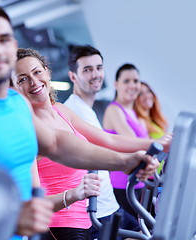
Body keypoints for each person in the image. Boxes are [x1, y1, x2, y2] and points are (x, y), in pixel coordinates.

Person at [0, 3, 160, 240]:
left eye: (3, 40)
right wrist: (8, 218)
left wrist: (123, 161)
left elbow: (58, 144)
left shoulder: (15, 104)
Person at [11, 48, 170, 240]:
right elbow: (35, 203)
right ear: (14, 90)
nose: (34, 82)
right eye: (22, 79)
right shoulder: (28, 132)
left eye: (37, 72)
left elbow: (107, 140)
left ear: (46, 71)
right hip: (61, 227)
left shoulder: (61, 111)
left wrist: (157, 143)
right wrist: (75, 193)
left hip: (87, 218)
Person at [63, 45, 146, 239]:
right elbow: (107, 144)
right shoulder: (73, 111)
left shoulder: (88, 110)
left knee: (150, 233)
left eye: (98, 67)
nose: (95, 74)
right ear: (73, 76)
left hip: (111, 206)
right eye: (87, 69)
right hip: (97, 213)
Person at [102, 63, 148, 219]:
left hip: (139, 185)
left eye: (136, 81)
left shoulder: (136, 115)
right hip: (122, 186)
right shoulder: (114, 110)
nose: (132, 85)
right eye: (126, 81)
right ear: (116, 84)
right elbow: (133, 143)